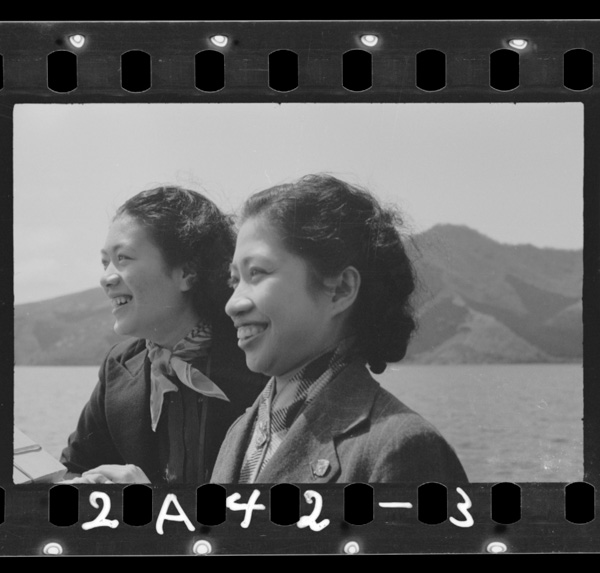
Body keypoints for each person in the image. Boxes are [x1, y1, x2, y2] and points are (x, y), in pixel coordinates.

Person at [211, 174, 468, 483]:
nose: (233, 304)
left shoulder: (402, 447)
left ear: (340, 289)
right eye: (234, 280)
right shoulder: (238, 434)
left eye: (257, 273)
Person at [60, 186, 266, 484]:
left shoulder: (259, 357)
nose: (106, 278)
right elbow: (74, 467)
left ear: (187, 272)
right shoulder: (118, 367)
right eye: (105, 262)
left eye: (123, 258)